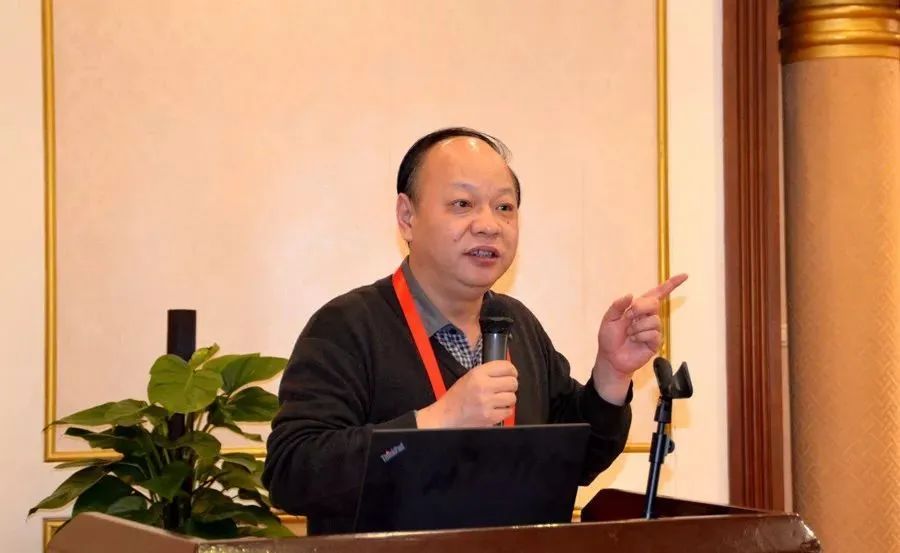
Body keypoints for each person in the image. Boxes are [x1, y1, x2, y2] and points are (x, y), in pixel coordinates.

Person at [262, 127, 687, 535]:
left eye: (504, 207)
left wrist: (611, 373)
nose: (488, 224)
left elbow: (577, 460)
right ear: (407, 217)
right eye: (463, 204)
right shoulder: (347, 326)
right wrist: (436, 421)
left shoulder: (516, 324)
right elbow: (293, 473)